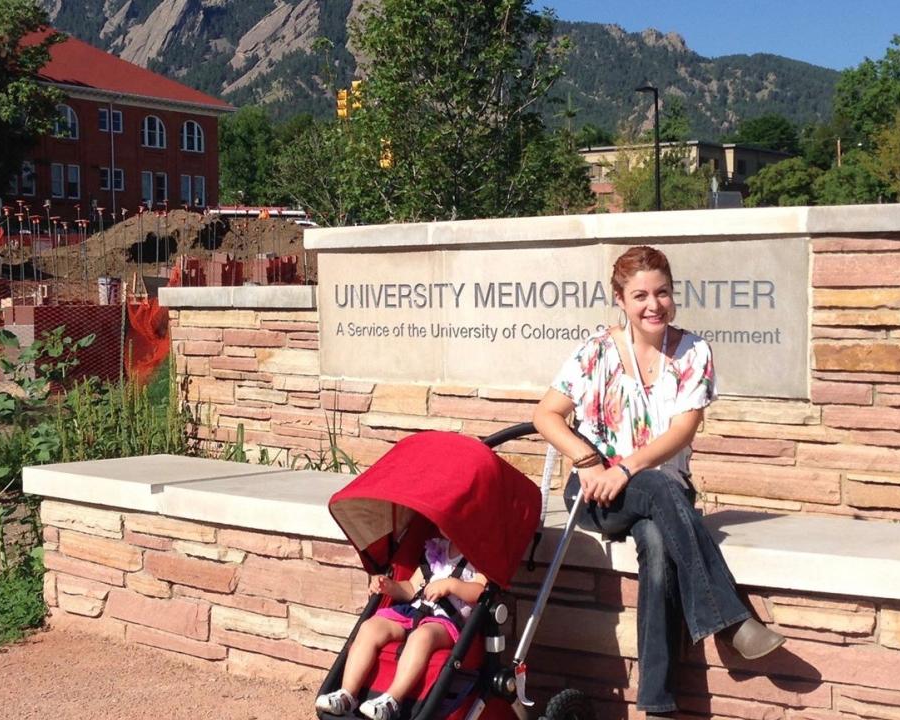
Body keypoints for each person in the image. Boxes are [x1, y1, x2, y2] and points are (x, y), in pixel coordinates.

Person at [532, 245, 785, 718]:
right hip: (596, 493)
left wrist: (627, 468)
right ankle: (729, 620)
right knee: (660, 494)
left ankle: (657, 706)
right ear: (621, 300)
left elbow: (682, 430)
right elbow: (545, 415)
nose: (654, 305)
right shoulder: (595, 352)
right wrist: (589, 462)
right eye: (641, 295)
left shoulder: (693, 352)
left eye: (663, 292)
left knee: (658, 541)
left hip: (658, 490)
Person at [315, 535, 488, 720]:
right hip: (412, 611)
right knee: (370, 627)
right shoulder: (436, 549)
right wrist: (391, 586)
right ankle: (347, 694)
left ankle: (392, 701)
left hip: (445, 620)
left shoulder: (480, 556)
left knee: (422, 636)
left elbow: (480, 592)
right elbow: (411, 589)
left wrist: (453, 585)